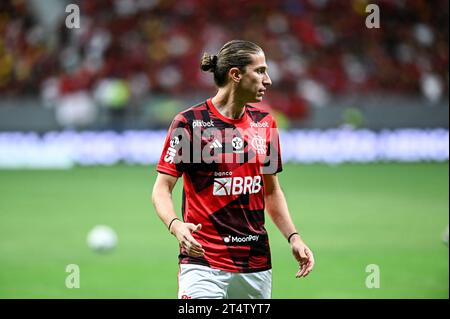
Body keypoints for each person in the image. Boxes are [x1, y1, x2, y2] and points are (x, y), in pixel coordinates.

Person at [152, 40, 314, 299]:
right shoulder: (190, 123)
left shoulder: (265, 124)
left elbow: (271, 192)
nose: (268, 80)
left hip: (255, 262)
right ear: (236, 75)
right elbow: (162, 188)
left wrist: (293, 237)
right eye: (260, 71)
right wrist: (175, 225)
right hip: (203, 260)